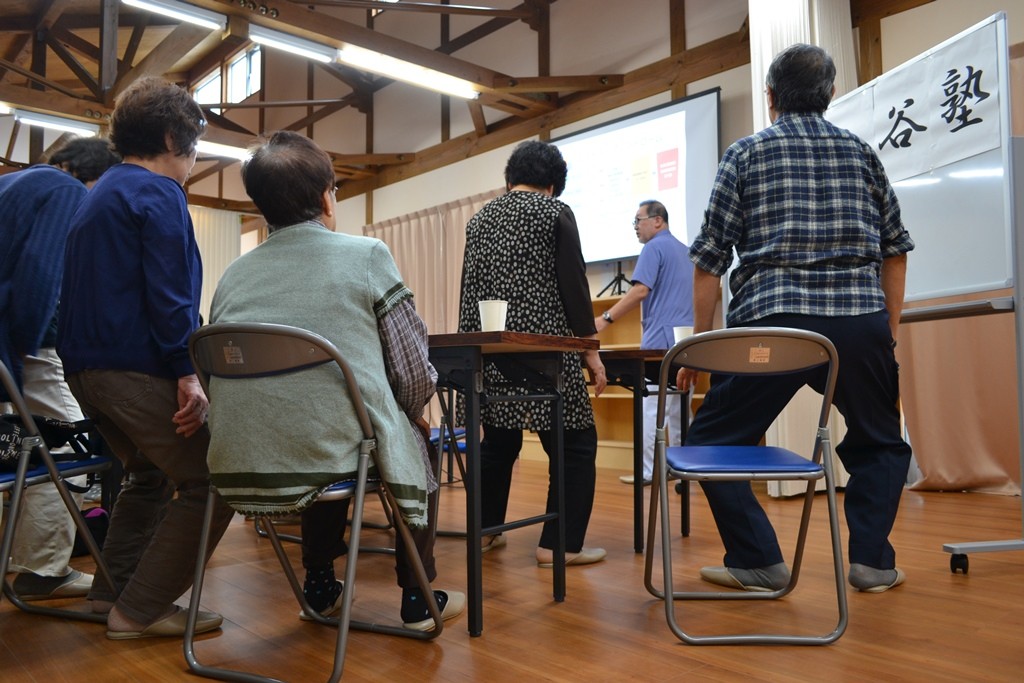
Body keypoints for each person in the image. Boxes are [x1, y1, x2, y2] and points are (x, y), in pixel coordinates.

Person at [677, 43, 914, 594]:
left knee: (711, 439)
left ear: (769, 97)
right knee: (881, 443)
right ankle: (872, 564)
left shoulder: (744, 153)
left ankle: (759, 560)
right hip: (857, 323)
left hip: (772, 326)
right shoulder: (861, 152)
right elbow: (895, 250)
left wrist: (702, 347)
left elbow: (709, 262)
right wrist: (886, 333)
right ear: (830, 93)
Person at [207, 130, 464, 631]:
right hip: (332, 448)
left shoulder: (233, 276)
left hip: (242, 456)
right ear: (327, 197)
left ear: (261, 207)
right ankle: (418, 598)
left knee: (323, 423)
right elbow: (412, 371)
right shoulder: (366, 255)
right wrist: (410, 412)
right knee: (390, 435)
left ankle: (321, 585)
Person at [56, 77, 235, 638]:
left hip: (85, 371)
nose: (195, 157)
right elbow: (170, 294)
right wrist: (187, 371)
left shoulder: (101, 193)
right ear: (172, 138)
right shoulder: (158, 192)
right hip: (131, 368)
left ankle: (109, 594)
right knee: (215, 479)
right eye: (195, 143)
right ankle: (141, 610)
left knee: (147, 475)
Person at [457, 140, 608, 567]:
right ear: (553, 185)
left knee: (498, 442)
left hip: (489, 353)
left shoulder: (479, 219)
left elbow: (469, 290)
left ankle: (485, 532)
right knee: (575, 444)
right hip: (545, 355)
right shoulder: (555, 212)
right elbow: (574, 286)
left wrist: (473, 353)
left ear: (510, 179)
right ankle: (557, 546)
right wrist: (590, 352)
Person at [1, 137, 120, 601]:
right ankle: (43, 572)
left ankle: (28, 560)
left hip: (9, 345)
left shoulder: (12, 184)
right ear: (89, 176)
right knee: (67, 450)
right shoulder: (65, 189)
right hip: (26, 347)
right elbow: (39, 275)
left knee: (19, 449)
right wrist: (28, 344)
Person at [593, 200, 694, 485]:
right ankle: (685, 473)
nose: (635, 227)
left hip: (659, 341)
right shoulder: (687, 252)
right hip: (686, 341)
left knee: (651, 409)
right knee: (680, 410)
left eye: (638, 220)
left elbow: (639, 291)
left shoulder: (653, 247)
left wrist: (605, 319)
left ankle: (649, 471)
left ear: (657, 220)